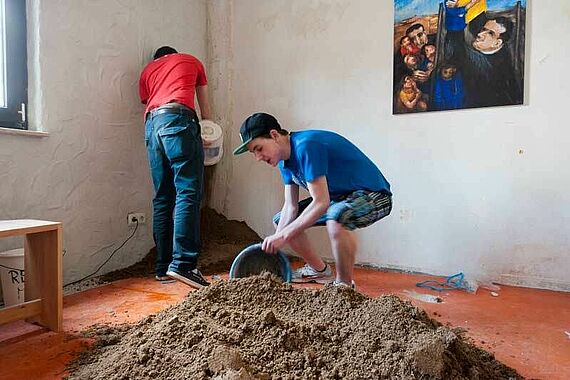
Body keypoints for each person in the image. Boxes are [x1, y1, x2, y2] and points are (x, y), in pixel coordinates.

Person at [233, 113, 392, 288]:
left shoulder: (306, 146)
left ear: (274, 135)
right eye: (253, 152)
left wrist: (284, 235)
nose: (257, 157)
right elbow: (290, 207)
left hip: (375, 195)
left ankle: (344, 286)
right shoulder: (283, 161)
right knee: (282, 222)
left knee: (336, 217)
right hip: (339, 198)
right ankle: (320, 271)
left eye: (259, 148)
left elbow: (321, 202)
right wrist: (276, 239)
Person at [139, 46, 212, 289]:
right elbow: (205, 106)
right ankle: (184, 264)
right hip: (178, 118)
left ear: (157, 58)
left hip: (152, 126)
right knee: (188, 190)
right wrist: (206, 130)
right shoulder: (191, 60)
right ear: (174, 54)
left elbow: (147, 105)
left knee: (162, 197)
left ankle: (162, 267)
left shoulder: (147, 71)